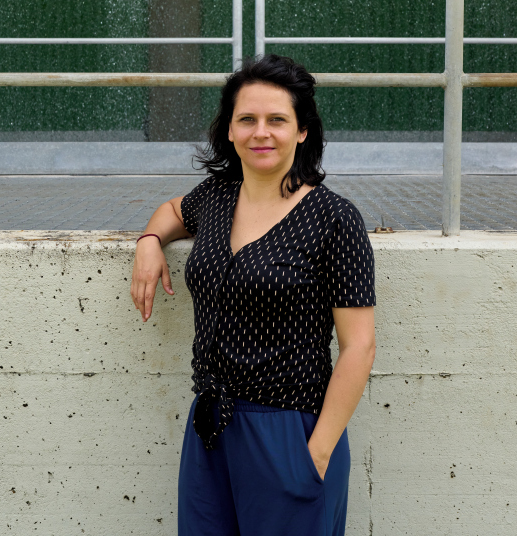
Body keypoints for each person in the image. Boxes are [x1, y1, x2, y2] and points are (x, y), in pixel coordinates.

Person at [130, 54, 376, 536]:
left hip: (290, 431)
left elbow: (359, 347)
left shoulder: (335, 220)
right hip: (210, 427)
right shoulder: (217, 196)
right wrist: (149, 241)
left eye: (277, 120)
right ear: (229, 130)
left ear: (302, 130)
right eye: (247, 119)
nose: (261, 132)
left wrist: (316, 455)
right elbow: (172, 210)